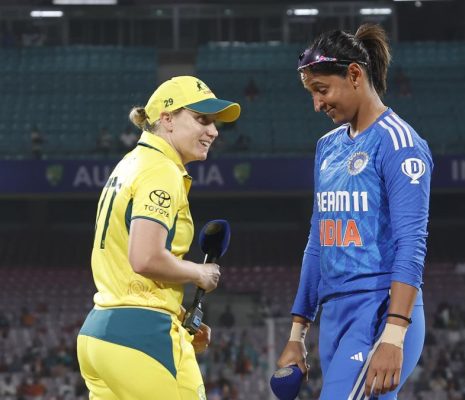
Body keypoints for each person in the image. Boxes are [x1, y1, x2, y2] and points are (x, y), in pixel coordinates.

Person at [276, 24, 432, 399]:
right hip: (335, 318)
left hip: (378, 312)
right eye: (312, 93)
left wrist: (393, 334)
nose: (317, 104)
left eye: (322, 90)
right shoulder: (327, 147)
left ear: (354, 75)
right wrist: (297, 333)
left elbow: (411, 244)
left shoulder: (400, 144)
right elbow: (318, 243)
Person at [77, 75, 241, 399]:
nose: (213, 131)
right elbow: (145, 258)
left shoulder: (130, 163)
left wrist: (179, 316)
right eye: (202, 120)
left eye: (214, 123)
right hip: (142, 337)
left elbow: (127, 265)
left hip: (99, 335)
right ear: (167, 119)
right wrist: (200, 273)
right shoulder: (161, 170)